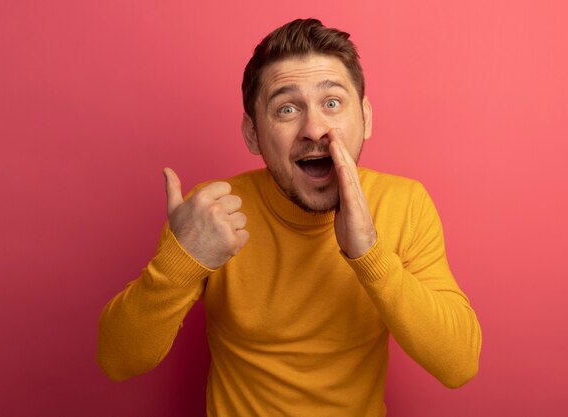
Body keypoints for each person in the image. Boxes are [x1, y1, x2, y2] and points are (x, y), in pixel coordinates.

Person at [98, 18, 482, 417]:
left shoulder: (405, 203)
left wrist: (370, 255)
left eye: (332, 103)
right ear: (252, 133)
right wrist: (181, 262)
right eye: (286, 108)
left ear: (366, 118)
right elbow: (118, 359)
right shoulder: (211, 214)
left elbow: (459, 364)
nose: (314, 128)